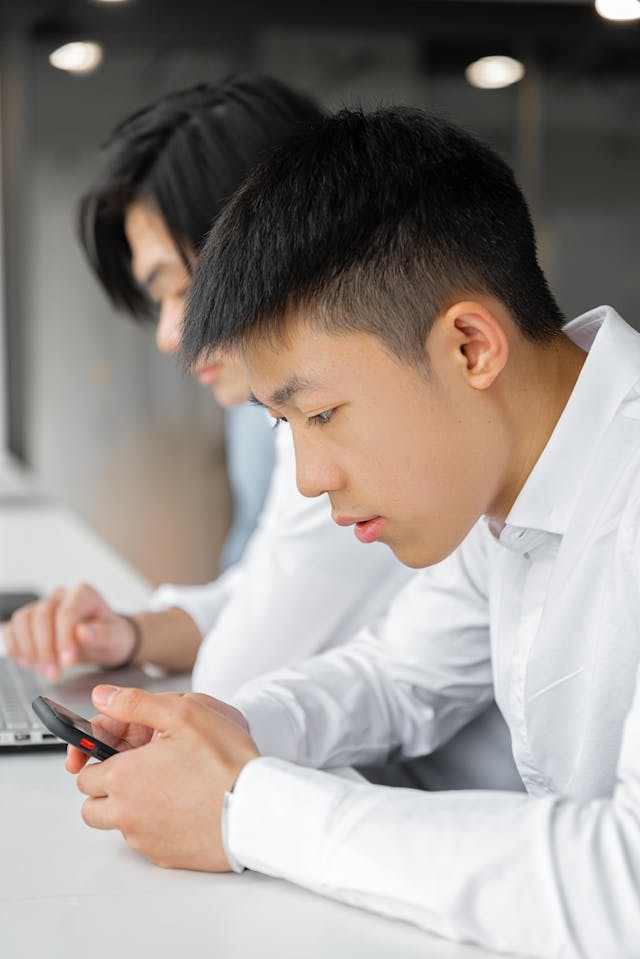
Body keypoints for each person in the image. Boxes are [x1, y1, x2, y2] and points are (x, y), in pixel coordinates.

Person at [62, 105, 640, 958]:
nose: (308, 477)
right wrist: (214, 729)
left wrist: (246, 808)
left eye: (323, 413)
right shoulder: (506, 481)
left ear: (471, 347)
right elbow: (396, 677)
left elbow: (622, 884)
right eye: (284, 426)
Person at [3, 78, 412, 701]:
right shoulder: (278, 414)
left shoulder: (356, 423)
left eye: (183, 289)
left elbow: (237, 673)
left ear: (273, 245)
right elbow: (263, 590)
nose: (172, 335)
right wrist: (131, 635)